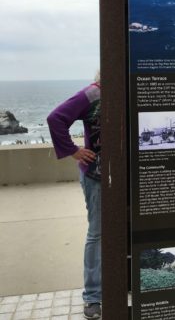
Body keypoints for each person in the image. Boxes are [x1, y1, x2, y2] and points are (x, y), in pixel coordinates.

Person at [47, 71, 102, 319]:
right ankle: (93, 297)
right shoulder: (93, 93)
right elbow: (56, 118)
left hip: (127, 177)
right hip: (97, 176)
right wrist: (73, 150)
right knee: (98, 233)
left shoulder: (132, 90)